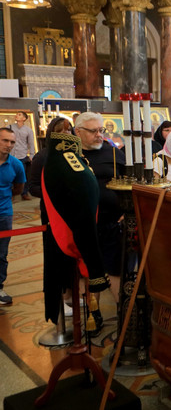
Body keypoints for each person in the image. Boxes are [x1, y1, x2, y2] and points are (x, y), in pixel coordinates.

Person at [75, 113, 125, 332]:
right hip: (84, 223)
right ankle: (93, 313)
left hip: (113, 221)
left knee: (115, 268)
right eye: (93, 131)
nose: (99, 135)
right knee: (89, 270)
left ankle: (122, 313)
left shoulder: (113, 153)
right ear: (78, 132)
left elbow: (130, 181)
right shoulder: (70, 155)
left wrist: (127, 210)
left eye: (101, 130)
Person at [29, 118, 74, 321]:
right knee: (55, 258)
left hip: (71, 213)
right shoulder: (43, 156)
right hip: (51, 214)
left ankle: (70, 296)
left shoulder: (73, 154)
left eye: (69, 131)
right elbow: (33, 187)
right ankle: (58, 302)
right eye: (60, 131)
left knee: (71, 255)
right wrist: (55, 193)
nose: (65, 134)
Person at [0, 128, 26, 305]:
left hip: (4, 214)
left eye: (12, 142)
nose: (9, 145)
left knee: (1, 253)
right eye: (5, 140)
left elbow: (19, 188)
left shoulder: (16, 164)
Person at [10, 111, 35, 200]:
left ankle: (24, 193)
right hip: (11, 156)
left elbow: (31, 143)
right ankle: (11, 194)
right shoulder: (9, 127)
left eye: (19, 114)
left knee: (23, 175)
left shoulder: (28, 130)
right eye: (16, 114)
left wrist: (32, 155)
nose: (16, 115)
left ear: (24, 118)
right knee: (10, 175)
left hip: (22, 156)